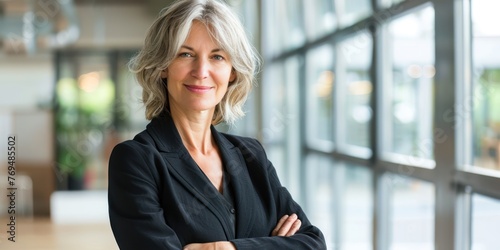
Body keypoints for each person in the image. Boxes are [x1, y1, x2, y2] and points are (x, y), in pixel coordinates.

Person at [107, 0, 327, 249]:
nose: (201, 71)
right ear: (163, 66)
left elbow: (312, 243)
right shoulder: (136, 160)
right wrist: (273, 243)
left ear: (232, 72)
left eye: (217, 56)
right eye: (186, 54)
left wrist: (225, 248)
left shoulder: (251, 155)